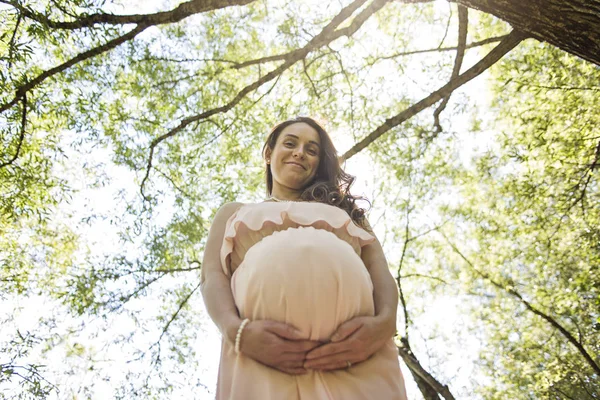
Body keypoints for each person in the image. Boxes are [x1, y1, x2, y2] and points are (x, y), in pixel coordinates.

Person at [200, 117, 408, 399]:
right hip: (262, 357)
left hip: (359, 356)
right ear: (268, 153)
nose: (300, 152)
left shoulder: (349, 212)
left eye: (312, 150)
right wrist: (235, 330)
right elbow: (212, 276)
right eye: (290, 143)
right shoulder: (233, 212)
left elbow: (379, 270)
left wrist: (384, 325)